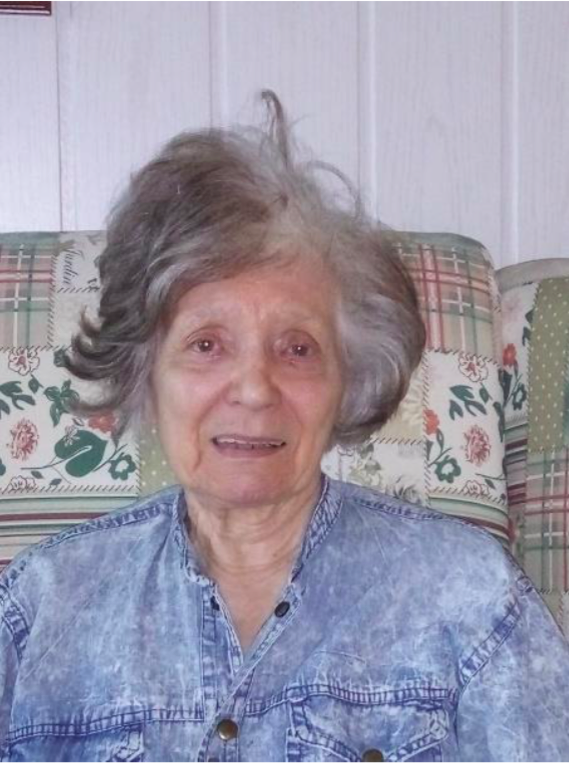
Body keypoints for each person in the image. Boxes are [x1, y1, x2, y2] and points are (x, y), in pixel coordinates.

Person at [1, 92, 568, 763]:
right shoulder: (41, 605)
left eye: (297, 348)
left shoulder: (471, 598)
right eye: (207, 344)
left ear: (348, 379)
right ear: (145, 372)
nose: (253, 388)